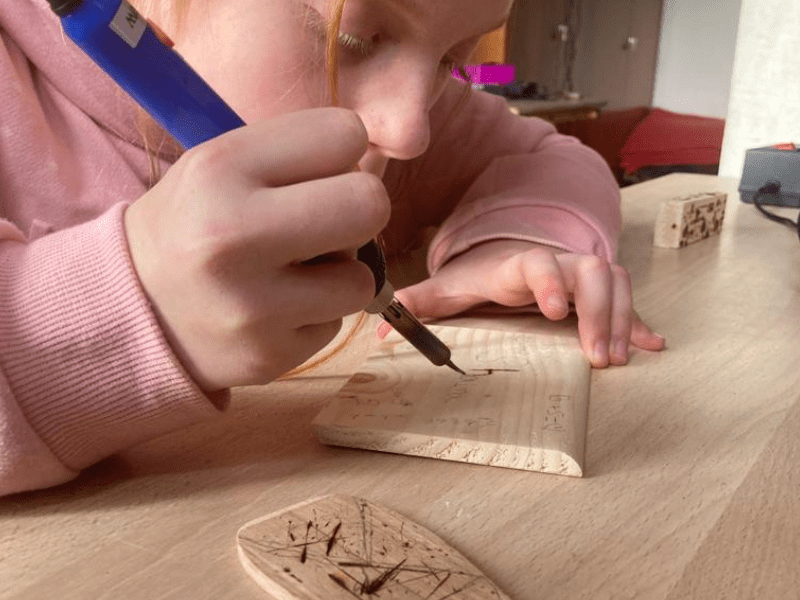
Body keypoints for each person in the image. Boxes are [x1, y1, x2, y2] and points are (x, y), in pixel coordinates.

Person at [0, 0, 665, 496]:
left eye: (449, 60)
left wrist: (516, 241)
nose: (410, 131)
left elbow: (554, 159)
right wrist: (121, 313)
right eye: (353, 37)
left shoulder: (417, 112)